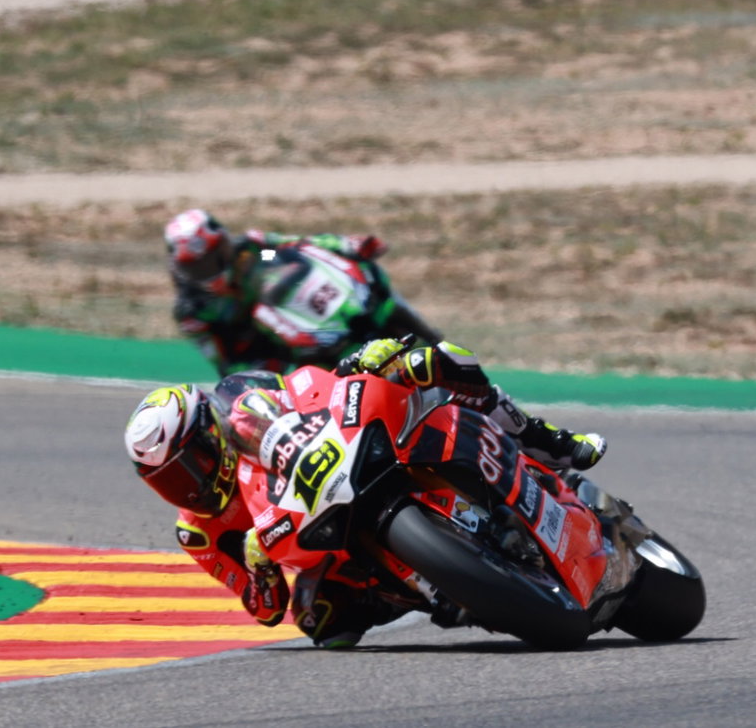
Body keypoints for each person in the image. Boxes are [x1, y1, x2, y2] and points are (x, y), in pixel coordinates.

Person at [125, 340, 606, 648]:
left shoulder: (244, 405)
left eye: (190, 465)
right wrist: (260, 567)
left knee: (430, 362)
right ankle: (438, 589)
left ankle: (550, 442)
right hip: (315, 539)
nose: (189, 485)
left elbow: (305, 393)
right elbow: (264, 609)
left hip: (336, 458)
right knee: (321, 622)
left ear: (211, 432)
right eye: (169, 482)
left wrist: (357, 365)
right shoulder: (198, 533)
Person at [163, 207, 440, 376]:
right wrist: (264, 369)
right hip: (270, 356)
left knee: (382, 300)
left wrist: (347, 245)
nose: (213, 267)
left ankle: (437, 348)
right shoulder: (194, 313)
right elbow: (226, 364)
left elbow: (294, 246)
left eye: (216, 255)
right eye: (200, 266)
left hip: (301, 317)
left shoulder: (252, 251)